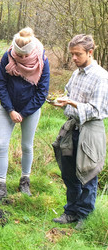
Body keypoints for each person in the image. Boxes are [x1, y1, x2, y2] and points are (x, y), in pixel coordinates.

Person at [50, 34, 108, 230]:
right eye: (72, 54)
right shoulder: (76, 73)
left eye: (78, 54)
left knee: (87, 174)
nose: (74, 58)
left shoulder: (101, 76)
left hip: (91, 131)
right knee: (68, 173)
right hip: (72, 128)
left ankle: (85, 215)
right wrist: (61, 100)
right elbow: (69, 95)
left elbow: (98, 110)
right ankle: (71, 212)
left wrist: (72, 103)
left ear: (90, 53)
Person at [0, 27, 50, 203]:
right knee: (0, 144)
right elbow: (1, 84)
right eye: (18, 55)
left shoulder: (42, 60)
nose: (20, 59)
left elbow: (42, 92)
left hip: (30, 109)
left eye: (24, 56)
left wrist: (23, 112)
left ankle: (25, 181)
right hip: (8, 108)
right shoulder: (8, 56)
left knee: (27, 146)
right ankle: (0, 185)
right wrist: (10, 110)